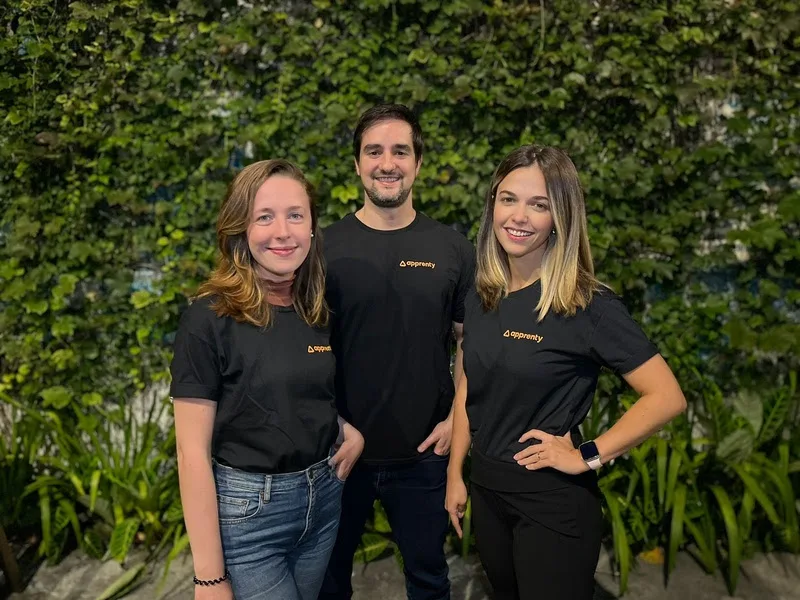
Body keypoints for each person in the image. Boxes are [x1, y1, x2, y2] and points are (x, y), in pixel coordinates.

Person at [445, 145, 687, 600]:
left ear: (561, 217)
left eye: (540, 205)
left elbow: (666, 396)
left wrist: (587, 454)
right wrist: (456, 472)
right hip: (489, 494)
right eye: (509, 198)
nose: (519, 216)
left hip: (552, 505)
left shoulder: (586, 305)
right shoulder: (482, 296)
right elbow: (468, 386)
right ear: (493, 203)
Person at [169, 159, 364, 600]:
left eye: (295, 215)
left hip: (323, 503)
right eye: (265, 216)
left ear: (313, 228)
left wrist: (344, 429)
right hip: (249, 516)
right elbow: (190, 455)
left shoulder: (314, 308)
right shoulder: (208, 318)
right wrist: (209, 578)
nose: (283, 231)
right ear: (240, 229)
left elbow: (296, 394)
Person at [319, 104, 475, 600]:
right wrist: (328, 422)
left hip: (426, 453)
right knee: (328, 584)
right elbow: (304, 347)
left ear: (418, 163)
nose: (388, 163)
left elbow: (470, 345)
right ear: (357, 165)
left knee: (430, 581)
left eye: (400, 151)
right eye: (374, 151)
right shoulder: (323, 248)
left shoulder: (452, 248)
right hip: (339, 452)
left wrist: (457, 418)